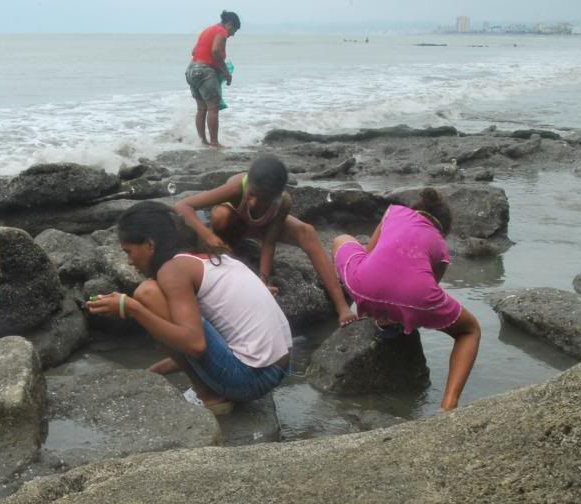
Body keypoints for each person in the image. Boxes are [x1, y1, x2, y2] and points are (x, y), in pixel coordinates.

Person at [86, 201, 292, 415]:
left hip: (249, 378)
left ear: (149, 244)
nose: (129, 262)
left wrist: (133, 308)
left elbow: (196, 345)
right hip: (278, 368)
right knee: (170, 306)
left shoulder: (173, 270)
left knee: (147, 293)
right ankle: (212, 389)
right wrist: (159, 370)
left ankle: (209, 396)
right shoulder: (208, 256)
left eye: (129, 252)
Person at [331, 188, 481, 411]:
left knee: (341, 239)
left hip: (362, 287)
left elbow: (369, 253)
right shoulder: (441, 246)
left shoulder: (394, 212)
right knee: (470, 331)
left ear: (417, 209)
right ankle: (449, 403)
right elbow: (429, 288)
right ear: (442, 228)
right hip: (411, 301)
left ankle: (379, 316)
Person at [174, 155, 358, 328]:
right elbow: (183, 205)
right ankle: (229, 256)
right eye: (251, 194)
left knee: (307, 232)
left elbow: (269, 243)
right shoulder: (237, 187)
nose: (253, 202)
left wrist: (263, 280)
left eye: (262, 199)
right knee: (220, 215)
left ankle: (341, 306)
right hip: (231, 227)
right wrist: (208, 236)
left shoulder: (282, 202)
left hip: (259, 228)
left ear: (275, 196)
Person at [186, 11, 240, 148]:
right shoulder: (221, 31)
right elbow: (216, 51)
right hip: (205, 70)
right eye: (234, 31)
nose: (233, 35)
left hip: (192, 69)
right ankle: (214, 143)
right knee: (212, 108)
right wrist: (226, 73)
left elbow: (194, 52)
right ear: (230, 24)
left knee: (201, 108)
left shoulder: (207, 30)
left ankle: (203, 142)